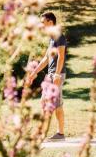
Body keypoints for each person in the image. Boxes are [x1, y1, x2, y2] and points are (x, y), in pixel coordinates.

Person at [27, 11, 67, 140]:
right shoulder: (51, 38)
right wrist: (34, 73)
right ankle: (59, 133)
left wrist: (56, 75)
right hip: (52, 74)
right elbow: (46, 58)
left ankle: (45, 133)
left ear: (50, 22)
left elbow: (61, 56)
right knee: (54, 104)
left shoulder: (59, 36)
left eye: (43, 23)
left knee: (47, 102)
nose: (41, 26)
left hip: (57, 74)